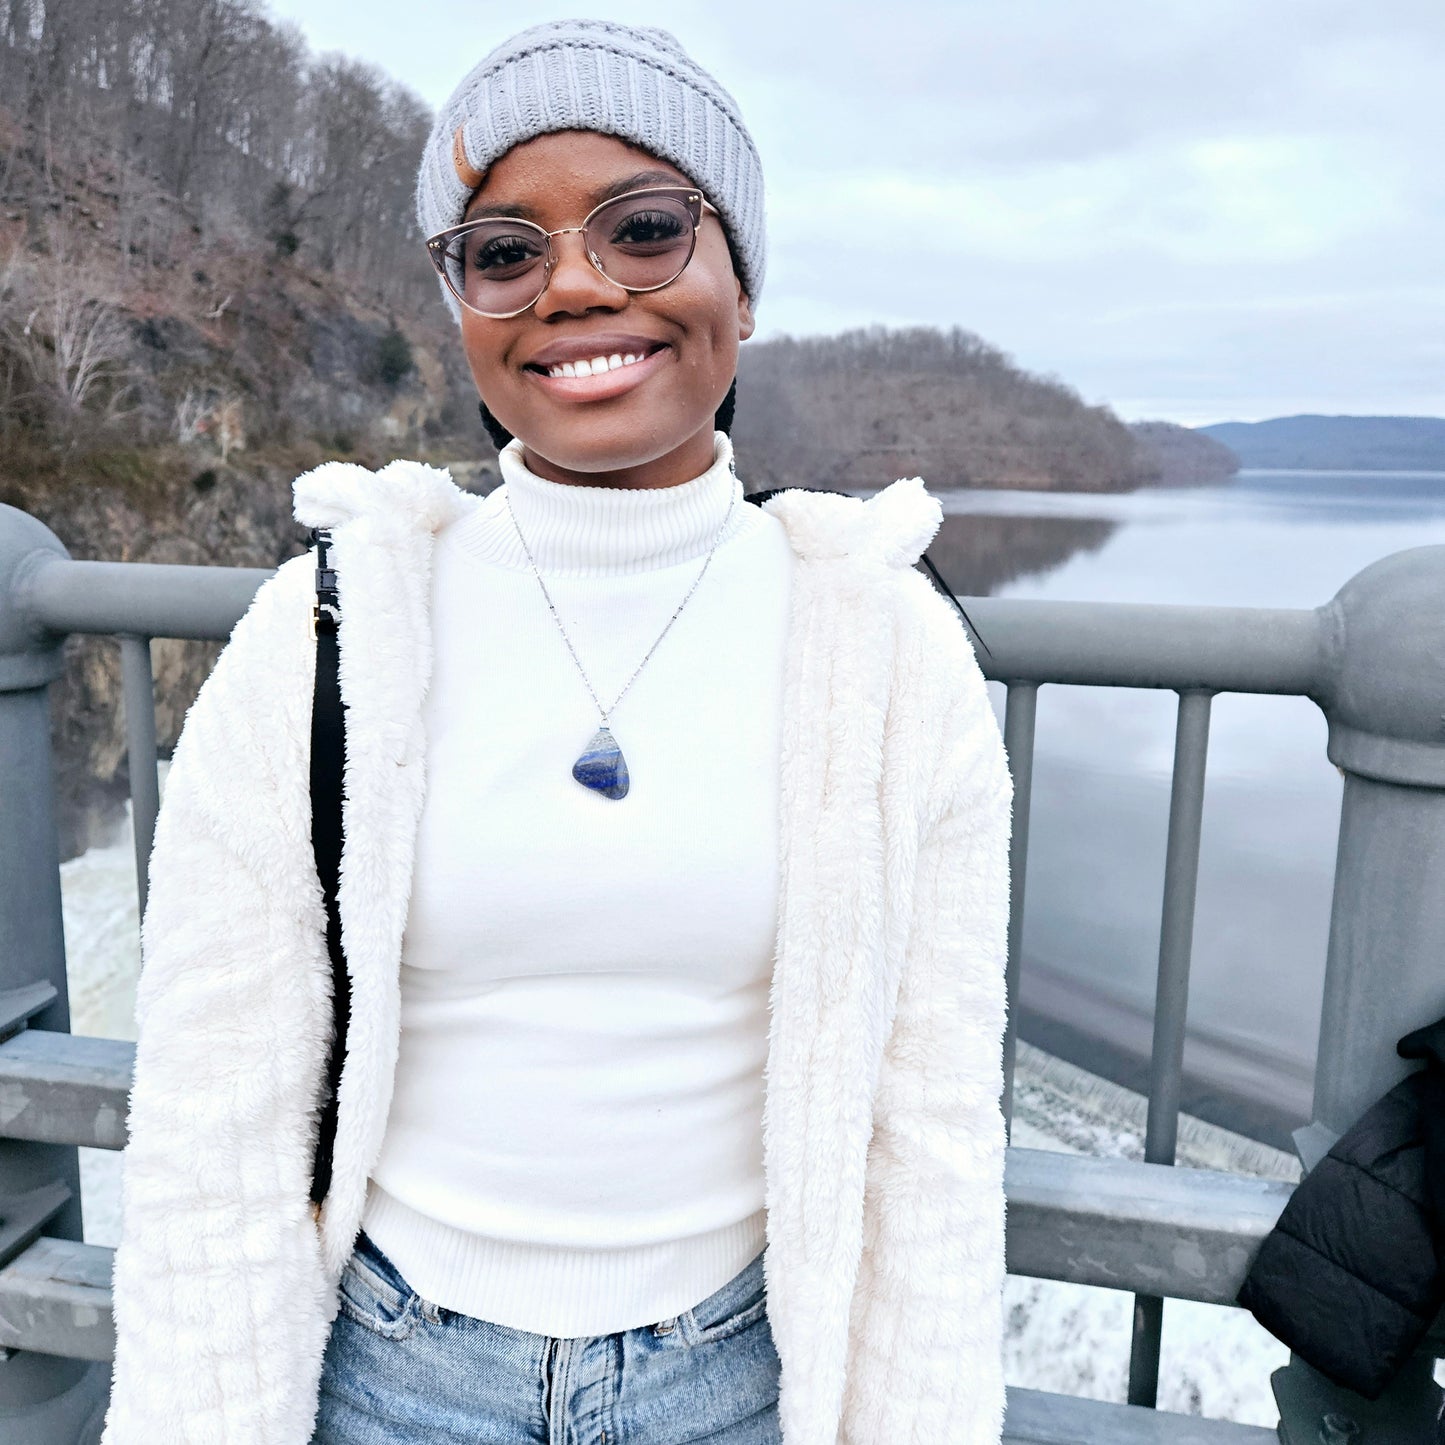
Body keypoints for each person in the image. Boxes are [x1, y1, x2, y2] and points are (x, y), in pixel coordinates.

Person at [100, 19, 1013, 1444]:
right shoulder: (326, 631)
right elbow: (213, 1119)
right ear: (461, 303)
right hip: (388, 1375)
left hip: (743, 1379)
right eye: (504, 250)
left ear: (744, 281)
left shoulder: (890, 650)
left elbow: (933, 1135)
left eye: (644, 228)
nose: (575, 284)